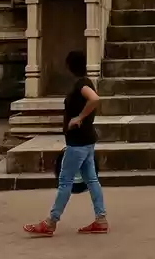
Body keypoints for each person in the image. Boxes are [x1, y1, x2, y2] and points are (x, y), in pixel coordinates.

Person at [24, 50, 107, 236]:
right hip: (86, 140)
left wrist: (79, 117)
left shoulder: (81, 84)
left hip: (78, 142)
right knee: (91, 179)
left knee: (65, 181)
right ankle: (101, 219)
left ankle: (51, 222)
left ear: (69, 66)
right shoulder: (85, 82)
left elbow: (95, 99)